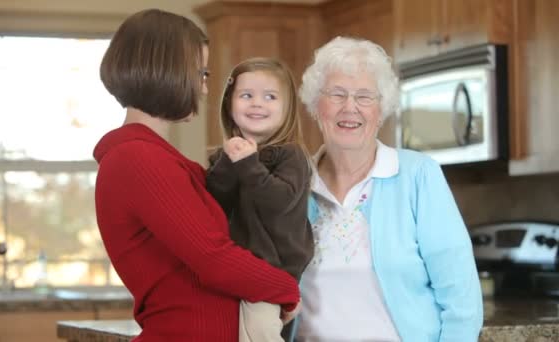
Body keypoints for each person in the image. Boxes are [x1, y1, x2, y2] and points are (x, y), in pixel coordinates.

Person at [93, 9, 300, 341]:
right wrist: (287, 288)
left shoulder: (150, 157)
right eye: (201, 73)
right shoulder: (138, 158)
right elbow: (213, 257)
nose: (205, 89)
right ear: (169, 70)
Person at [294, 36, 484, 341]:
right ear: (316, 106)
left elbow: (461, 300)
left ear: (381, 110)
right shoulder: (294, 184)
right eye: (337, 94)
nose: (350, 107)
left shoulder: (418, 176)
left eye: (365, 96)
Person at [206, 57, 314, 342]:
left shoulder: (292, 156)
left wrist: (248, 164)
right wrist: (230, 162)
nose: (257, 103)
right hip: (235, 272)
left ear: (286, 107)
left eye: (270, 96)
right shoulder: (226, 157)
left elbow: (279, 203)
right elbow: (213, 204)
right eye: (246, 95)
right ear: (230, 105)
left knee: (261, 334)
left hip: (272, 274)